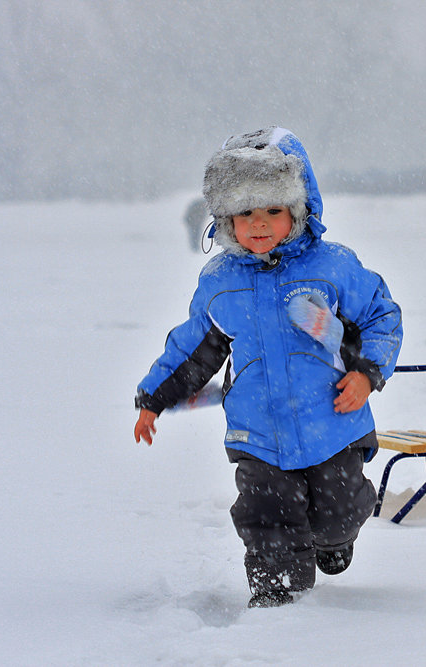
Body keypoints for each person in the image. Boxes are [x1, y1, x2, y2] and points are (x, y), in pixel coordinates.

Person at [133, 127, 402, 608]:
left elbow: (381, 318)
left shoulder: (333, 267)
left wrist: (366, 373)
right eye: (245, 213)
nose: (259, 225)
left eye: (272, 211)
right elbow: (194, 347)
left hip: (333, 424)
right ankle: (279, 596)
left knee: (338, 511)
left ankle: (334, 540)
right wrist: (154, 398)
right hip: (258, 431)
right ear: (224, 218)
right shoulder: (220, 282)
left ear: (298, 210)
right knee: (266, 516)